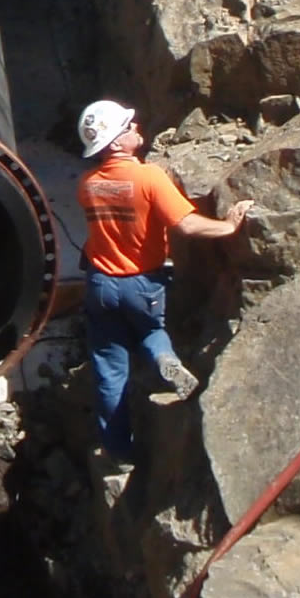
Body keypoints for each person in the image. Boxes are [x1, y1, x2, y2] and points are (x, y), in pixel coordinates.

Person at [73, 99, 250, 463]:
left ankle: (118, 451)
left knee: (109, 369)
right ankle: (165, 359)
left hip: (100, 284)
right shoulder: (149, 177)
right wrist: (228, 226)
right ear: (117, 143)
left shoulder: (88, 184)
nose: (136, 126)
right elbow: (186, 224)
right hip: (142, 282)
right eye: (128, 126)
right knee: (151, 331)